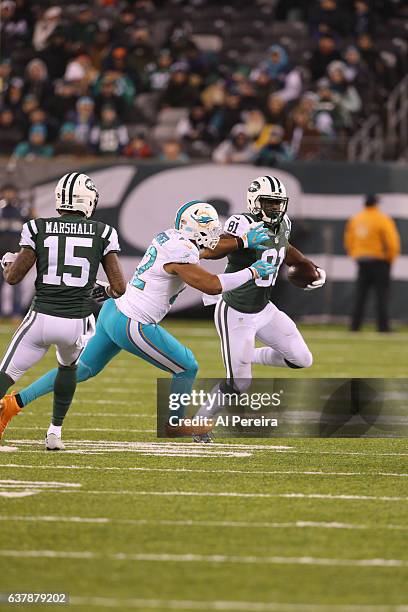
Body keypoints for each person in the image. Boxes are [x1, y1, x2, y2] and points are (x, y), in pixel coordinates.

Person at [0, 202, 275, 442]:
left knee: (81, 369)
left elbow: (205, 252)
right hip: (133, 323)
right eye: (211, 229)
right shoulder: (182, 253)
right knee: (187, 366)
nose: (215, 235)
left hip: (113, 311)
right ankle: (176, 424)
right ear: (195, 230)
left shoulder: (172, 238)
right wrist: (251, 272)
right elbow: (212, 285)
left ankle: (13, 404)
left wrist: (242, 241)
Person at [195, 176, 326, 441]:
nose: (275, 209)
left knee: (302, 359)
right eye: (269, 203)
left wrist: (307, 267)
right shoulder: (241, 222)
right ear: (254, 202)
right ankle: (199, 423)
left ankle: (248, 356)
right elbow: (212, 250)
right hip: (235, 311)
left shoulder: (283, 224)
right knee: (240, 384)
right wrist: (243, 240)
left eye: (278, 203)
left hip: (264, 309)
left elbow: (284, 248)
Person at [0, 172, 126, 449]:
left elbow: (13, 278)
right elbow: (119, 287)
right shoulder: (104, 232)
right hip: (76, 323)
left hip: (40, 318)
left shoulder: (37, 227)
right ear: (89, 201)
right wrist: (101, 290)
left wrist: (7, 263)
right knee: (67, 369)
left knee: (4, 376)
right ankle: (54, 432)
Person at [344, 194, 401, 332]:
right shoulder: (382, 219)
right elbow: (392, 242)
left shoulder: (356, 219)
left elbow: (349, 240)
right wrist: (390, 258)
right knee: (381, 295)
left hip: (362, 261)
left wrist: (354, 255)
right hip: (380, 261)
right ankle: (383, 327)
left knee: (360, 295)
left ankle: (355, 326)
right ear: (376, 204)